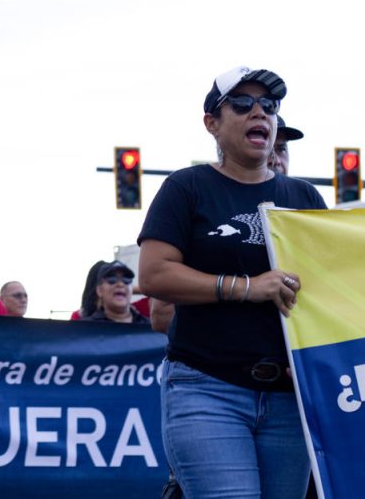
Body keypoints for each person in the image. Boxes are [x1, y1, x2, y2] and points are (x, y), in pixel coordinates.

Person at [138, 66, 327, 499]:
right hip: (207, 387)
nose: (258, 112)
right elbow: (153, 274)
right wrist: (248, 286)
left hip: (287, 396)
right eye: (241, 104)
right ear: (212, 123)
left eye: (269, 106)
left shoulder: (304, 199)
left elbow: (331, 284)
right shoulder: (186, 188)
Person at [85, 262, 151, 326]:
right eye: (112, 279)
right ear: (99, 290)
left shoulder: (151, 328)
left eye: (126, 279)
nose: (120, 284)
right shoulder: (85, 328)